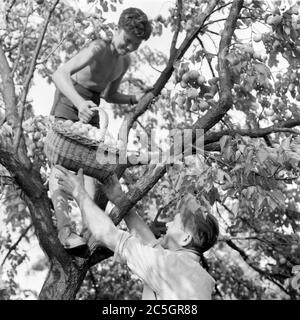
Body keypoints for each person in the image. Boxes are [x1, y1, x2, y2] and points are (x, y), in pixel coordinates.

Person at [48, 8, 152, 254]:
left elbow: (110, 94)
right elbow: (59, 74)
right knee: (62, 166)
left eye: (135, 45)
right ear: (117, 29)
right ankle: (66, 232)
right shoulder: (97, 48)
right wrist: (78, 103)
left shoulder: (124, 61)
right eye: (127, 40)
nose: (128, 48)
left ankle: (91, 229)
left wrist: (136, 97)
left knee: (94, 173)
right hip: (69, 102)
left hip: (92, 110)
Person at [55, 165, 220, 300]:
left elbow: (107, 234)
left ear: (185, 238)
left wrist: (78, 192)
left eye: (174, 223)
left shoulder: (171, 267)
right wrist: (120, 199)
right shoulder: (192, 274)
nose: (168, 224)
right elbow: (151, 244)